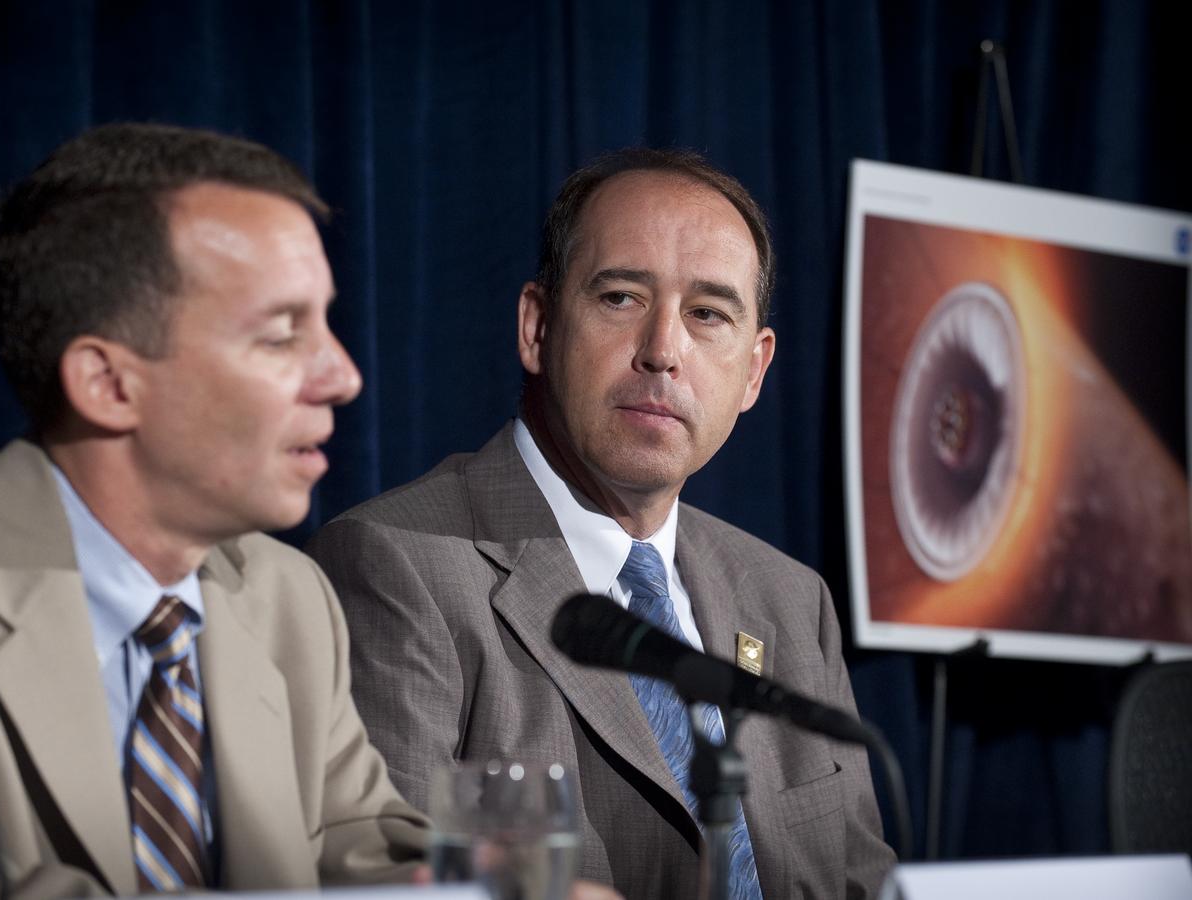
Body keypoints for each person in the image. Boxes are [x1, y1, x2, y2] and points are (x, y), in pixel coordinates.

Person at [307, 149, 898, 899]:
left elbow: (861, 881)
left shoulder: (789, 599)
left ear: (754, 372)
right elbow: (395, 880)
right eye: (620, 298)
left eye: (708, 314)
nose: (662, 351)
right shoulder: (398, 565)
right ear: (537, 326)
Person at [0, 123, 429, 897]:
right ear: (109, 384)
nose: (344, 376)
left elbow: (365, 848)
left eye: (327, 323)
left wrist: (499, 886)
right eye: (284, 334)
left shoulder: (290, 596)